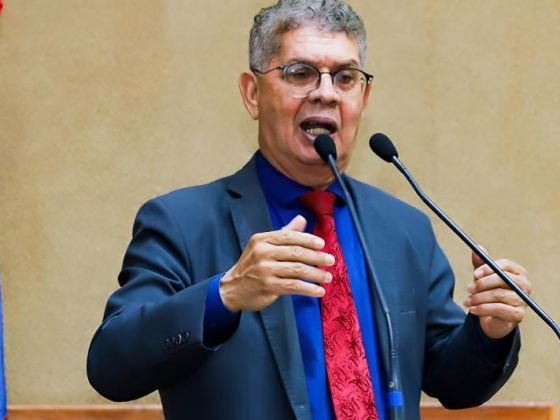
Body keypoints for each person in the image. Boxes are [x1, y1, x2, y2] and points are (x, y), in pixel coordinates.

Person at [87, 1, 532, 419]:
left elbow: (452, 381)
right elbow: (111, 365)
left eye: (345, 77)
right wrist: (224, 295)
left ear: (364, 98)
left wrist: (488, 330)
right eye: (300, 73)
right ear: (252, 93)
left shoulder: (404, 228)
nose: (326, 94)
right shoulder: (182, 223)